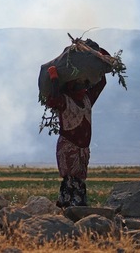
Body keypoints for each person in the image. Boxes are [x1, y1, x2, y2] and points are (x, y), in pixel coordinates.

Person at [45, 63, 108, 208]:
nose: (82, 84)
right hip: (68, 147)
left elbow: (101, 83)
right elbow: (54, 99)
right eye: (78, 81)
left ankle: (74, 208)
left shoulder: (87, 99)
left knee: (78, 180)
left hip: (83, 149)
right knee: (71, 180)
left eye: (84, 81)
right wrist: (54, 78)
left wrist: (101, 62)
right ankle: (70, 209)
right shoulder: (64, 100)